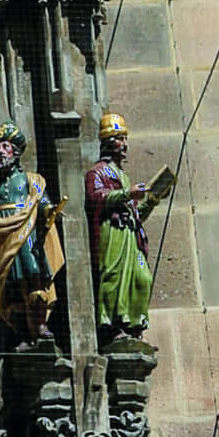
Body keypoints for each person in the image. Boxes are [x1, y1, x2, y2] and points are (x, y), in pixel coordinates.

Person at [0, 127, 61, 340]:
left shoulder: (29, 179)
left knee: (34, 275)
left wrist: (49, 210)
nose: (0, 151)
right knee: (11, 285)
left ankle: (40, 325)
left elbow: (42, 201)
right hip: (3, 237)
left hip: (26, 234)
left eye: (5, 147)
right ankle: (22, 334)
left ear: (16, 152)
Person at [86, 109, 164, 339]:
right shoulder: (97, 172)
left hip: (130, 233)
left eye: (125, 139)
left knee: (143, 278)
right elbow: (96, 197)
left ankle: (135, 325)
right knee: (113, 275)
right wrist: (127, 194)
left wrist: (152, 200)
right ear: (108, 142)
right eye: (120, 139)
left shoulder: (123, 175)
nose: (124, 145)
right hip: (113, 231)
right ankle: (112, 326)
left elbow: (134, 212)